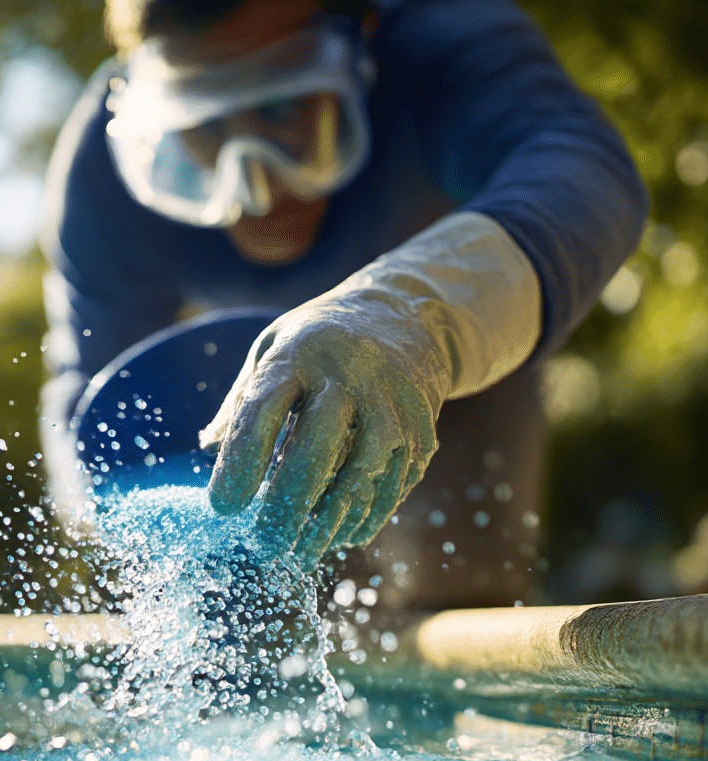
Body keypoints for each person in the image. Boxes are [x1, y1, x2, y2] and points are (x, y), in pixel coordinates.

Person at [38, 0, 649, 610]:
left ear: (364, 33)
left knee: (456, 589)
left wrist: (414, 317)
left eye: (281, 107)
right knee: (238, 617)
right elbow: (89, 393)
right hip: (232, 391)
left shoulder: (445, 41)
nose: (255, 186)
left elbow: (586, 171)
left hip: (442, 367)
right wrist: (131, 525)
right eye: (205, 125)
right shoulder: (103, 160)